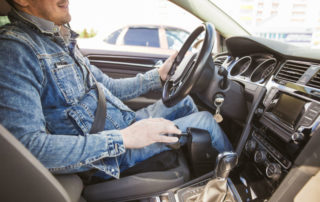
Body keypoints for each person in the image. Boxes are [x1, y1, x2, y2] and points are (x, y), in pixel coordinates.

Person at [0, 0, 232, 180]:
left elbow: (107, 87)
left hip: (125, 123)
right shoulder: (15, 50)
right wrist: (123, 138)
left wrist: (158, 77)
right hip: (107, 156)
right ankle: (237, 182)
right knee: (205, 123)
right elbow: (29, 148)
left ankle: (205, 179)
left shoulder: (58, 40)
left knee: (184, 103)